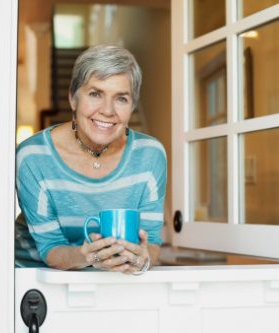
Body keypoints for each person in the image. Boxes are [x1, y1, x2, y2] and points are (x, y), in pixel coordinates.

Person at [15, 45, 167, 274]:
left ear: (132, 106)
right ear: (73, 99)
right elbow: (51, 248)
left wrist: (143, 259)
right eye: (95, 94)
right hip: (32, 282)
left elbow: (152, 240)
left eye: (121, 99)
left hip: (110, 282)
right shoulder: (33, 157)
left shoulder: (150, 155)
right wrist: (88, 256)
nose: (107, 110)